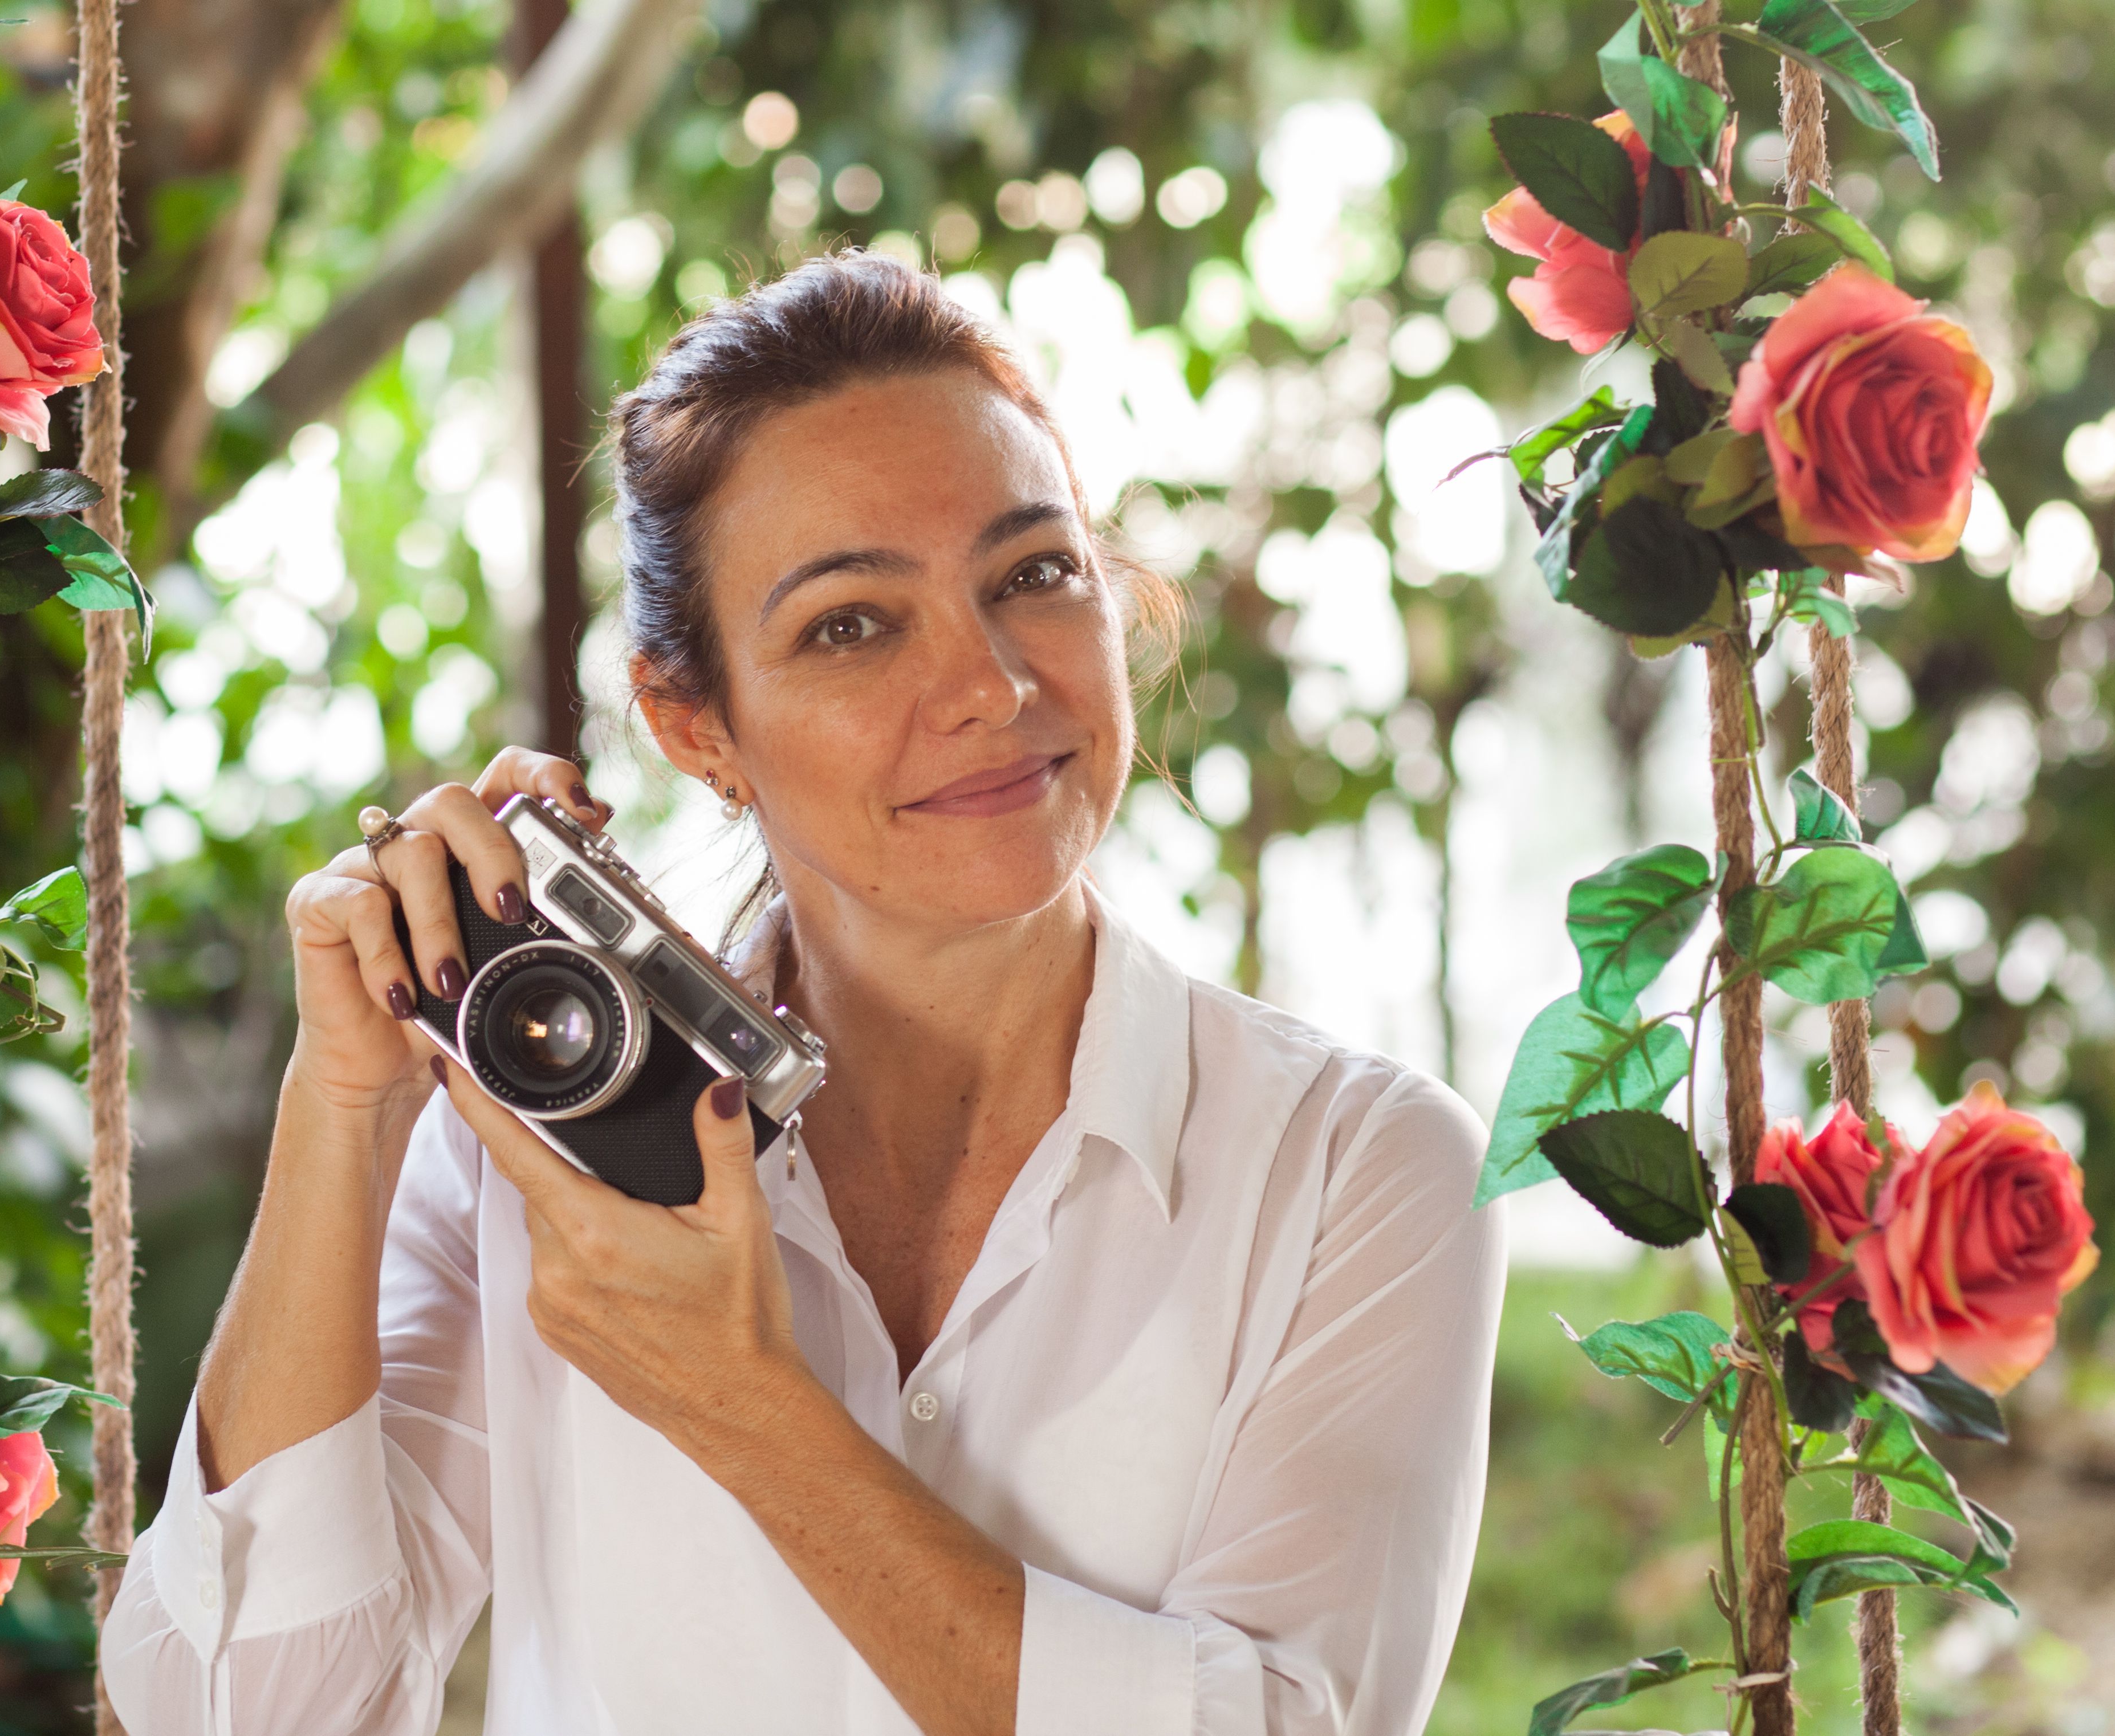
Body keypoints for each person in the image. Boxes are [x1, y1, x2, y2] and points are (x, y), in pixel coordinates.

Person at [101, 250, 1506, 1736]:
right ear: (694, 725)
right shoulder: (531, 1145)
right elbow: (232, 1715)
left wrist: (744, 1404)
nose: (988, 686)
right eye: (851, 624)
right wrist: (345, 1105)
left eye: (1033, 574)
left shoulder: (1355, 1168)